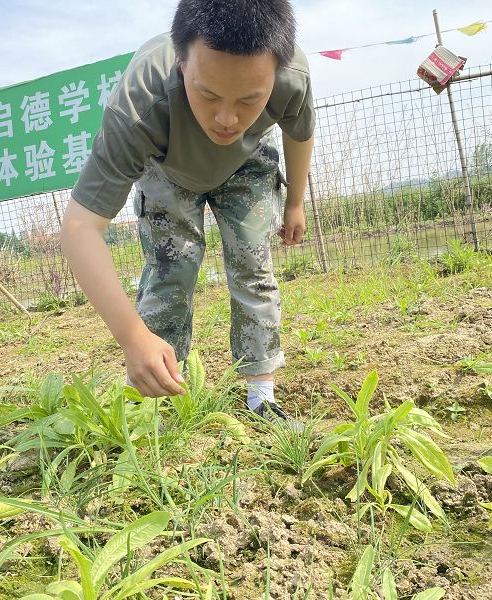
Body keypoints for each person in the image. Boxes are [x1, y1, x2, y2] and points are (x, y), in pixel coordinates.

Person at [61, 0, 314, 427]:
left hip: (246, 162)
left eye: (250, 99)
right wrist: (132, 338)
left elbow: (299, 131)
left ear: (276, 75)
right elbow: (80, 228)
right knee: (170, 269)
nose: (227, 118)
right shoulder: (140, 100)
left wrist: (295, 203)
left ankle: (261, 396)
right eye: (208, 94)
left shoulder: (292, 76)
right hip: (167, 165)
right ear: (181, 63)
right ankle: (157, 395)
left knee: (253, 264)